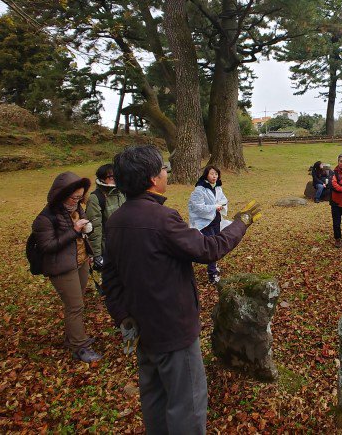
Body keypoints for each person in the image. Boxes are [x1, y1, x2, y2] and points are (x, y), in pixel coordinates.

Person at [103, 145, 260, 434]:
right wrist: (241, 223)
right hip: (173, 328)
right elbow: (208, 248)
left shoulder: (115, 221)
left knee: (154, 396)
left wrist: (123, 316)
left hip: (141, 327)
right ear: (152, 179)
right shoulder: (162, 219)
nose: (166, 173)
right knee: (187, 403)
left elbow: (109, 276)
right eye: (163, 169)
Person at [31, 171, 101, 362]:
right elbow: (47, 246)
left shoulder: (77, 209)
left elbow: (82, 235)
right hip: (61, 268)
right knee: (75, 306)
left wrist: (88, 243)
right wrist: (74, 230)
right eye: (74, 197)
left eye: (80, 197)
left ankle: (72, 338)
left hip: (80, 262)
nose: (77, 201)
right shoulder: (45, 219)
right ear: (62, 195)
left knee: (77, 303)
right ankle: (79, 346)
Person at [188, 165, 229, 285]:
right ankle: (212, 274)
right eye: (212, 174)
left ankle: (213, 267)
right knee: (212, 247)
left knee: (216, 244)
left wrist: (221, 205)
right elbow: (197, 207)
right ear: (206, 174)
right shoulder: (200, 189)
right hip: (205, 223)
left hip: (216, 221)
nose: (214, 176)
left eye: (216, 174)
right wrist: (215, 207)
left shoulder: (218, 187)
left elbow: (223, 199)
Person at [85, 163, 126, 271]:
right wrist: (96, 255)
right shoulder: (96, 198)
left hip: (126, 246)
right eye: (112, 177)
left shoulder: (121, 193)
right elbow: (95, 229)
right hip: (109, 249)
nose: (116, 179)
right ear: (102, 179)